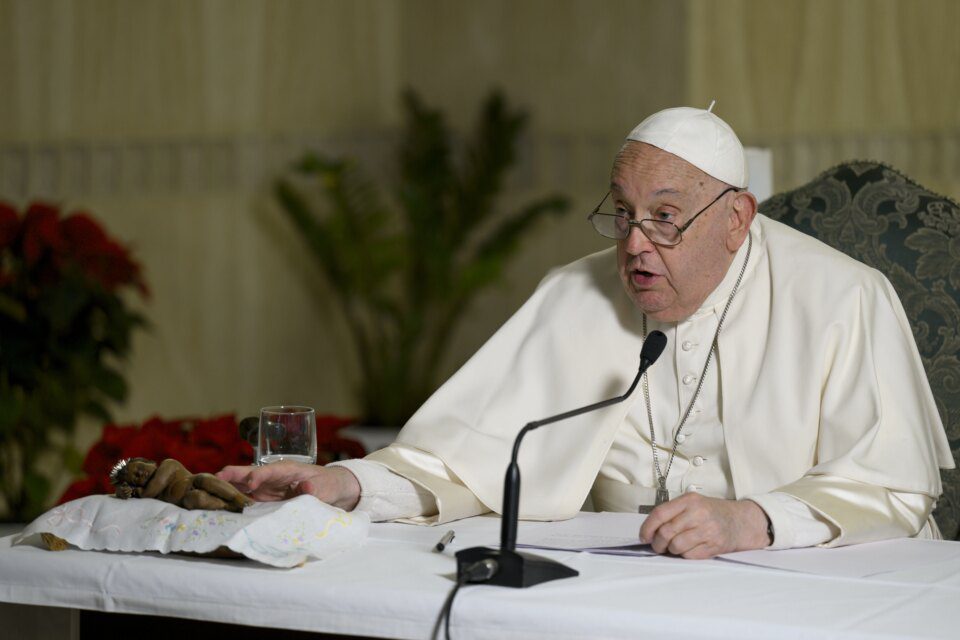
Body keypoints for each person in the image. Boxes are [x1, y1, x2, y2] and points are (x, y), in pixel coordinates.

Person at [218, 105, 954, 559]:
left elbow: (890, 487)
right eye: (624, 213)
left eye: (665, 217)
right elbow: (468, 460)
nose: (634, 244)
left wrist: (753, 521)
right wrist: (345, 483)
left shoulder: (841, 297)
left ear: (737, 220)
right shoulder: (576, 292)